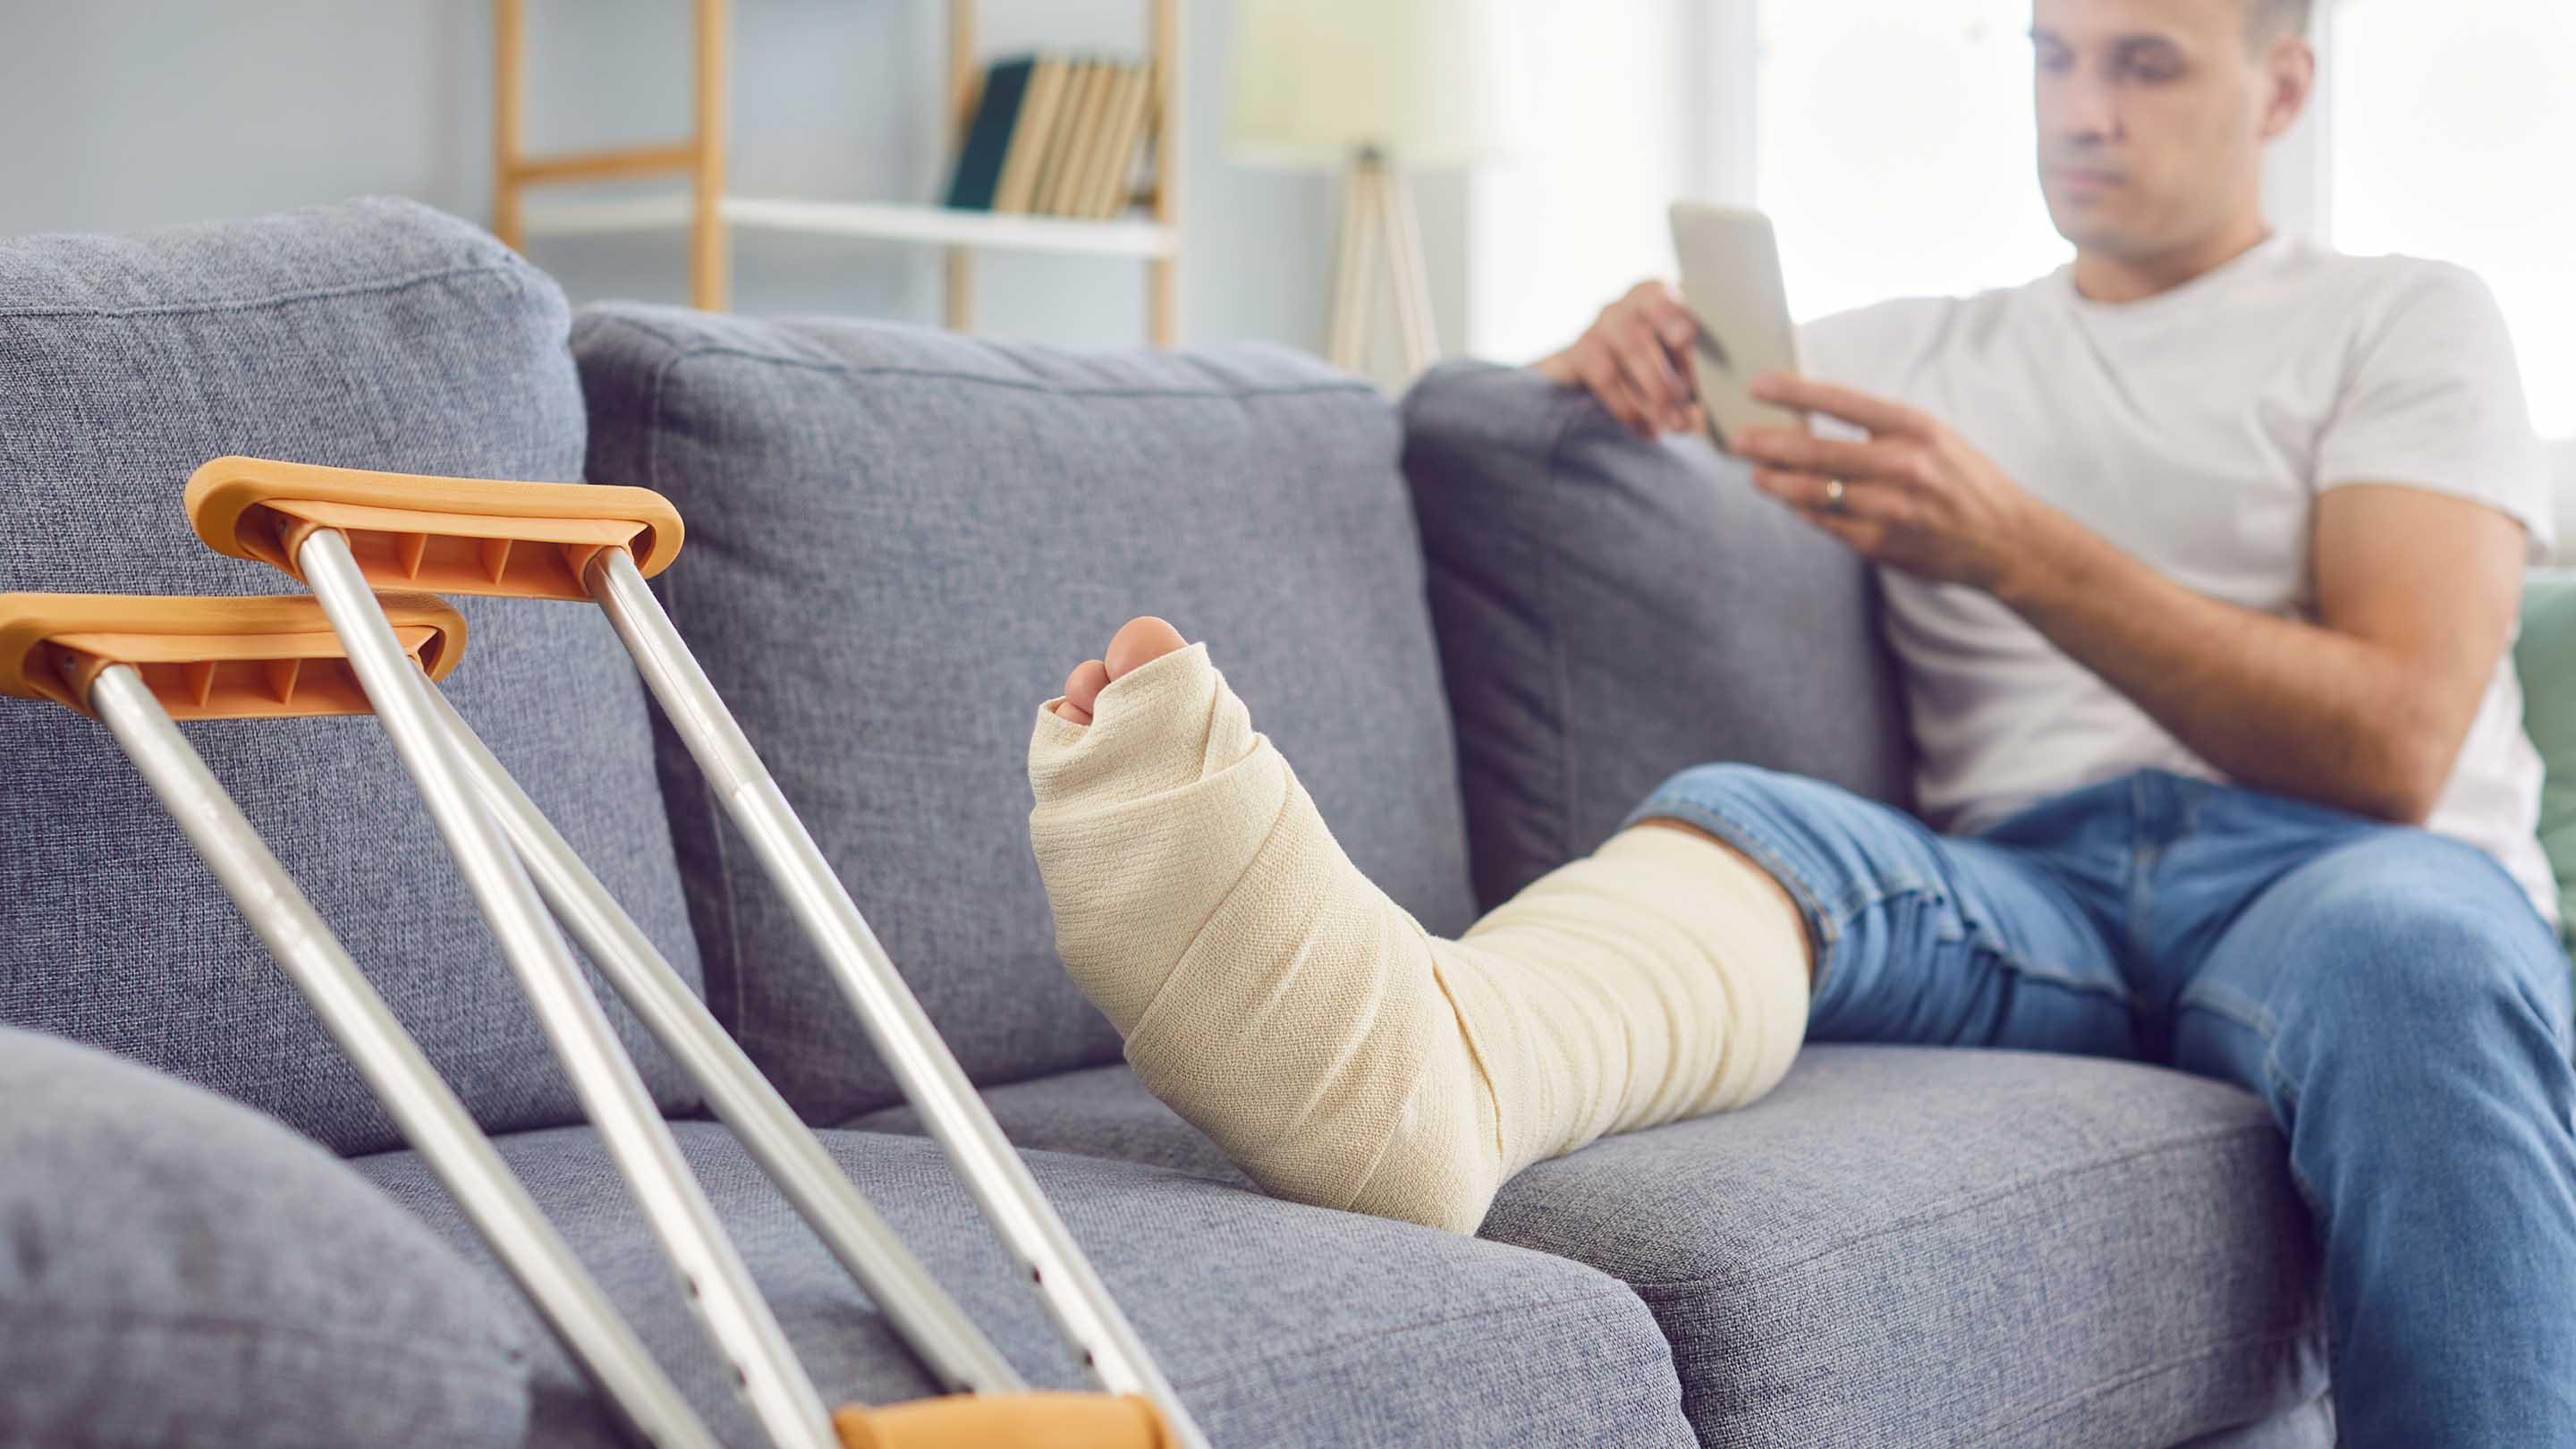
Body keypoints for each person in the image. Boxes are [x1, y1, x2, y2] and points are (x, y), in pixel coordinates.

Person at [1020, 0, 2576, 1442]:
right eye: (2054, 56)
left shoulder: (2407, 320)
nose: (2083, 109)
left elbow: (2393, 744)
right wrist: (1594, 360)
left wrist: (2012, 545)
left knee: (2423, 964)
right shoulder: (1892, 352)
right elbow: (1542, 417)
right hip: (2018, 890)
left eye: (2146, 62)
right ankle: (1438, 1071)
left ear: (2283, 84)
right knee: (1750, 823)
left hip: (2339, 872)